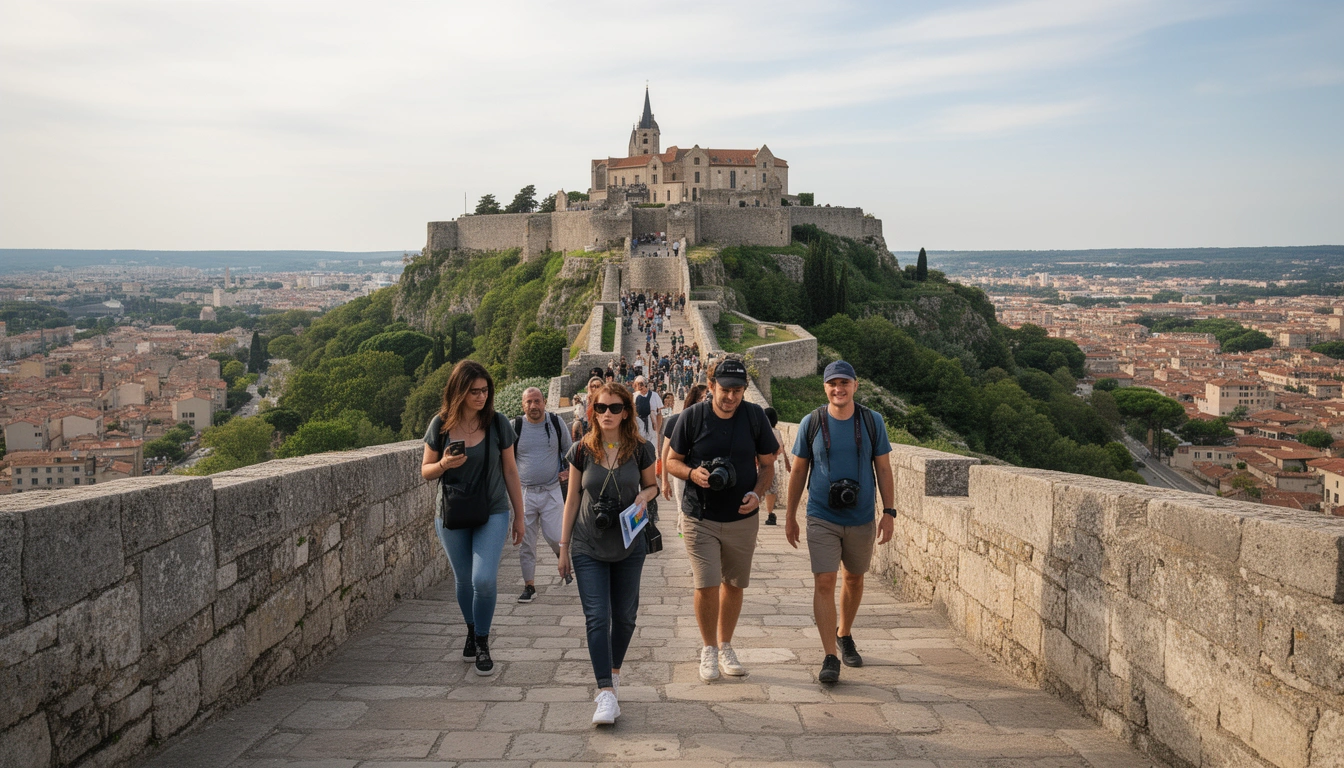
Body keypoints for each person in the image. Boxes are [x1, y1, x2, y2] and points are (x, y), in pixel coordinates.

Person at [666, 357, 778, 682]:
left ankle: (726, 644)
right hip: (700, 516)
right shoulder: (692, 417)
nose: (730, 397)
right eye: (725, 389)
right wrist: (692, 473)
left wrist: (757, 493)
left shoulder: (754, 417)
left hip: (742, 516)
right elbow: (671, 461)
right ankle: (709, 649)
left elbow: (767, 464)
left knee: (735, 584)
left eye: (737, 391)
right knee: (707, 583)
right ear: (712, 386)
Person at [784, 361, 895, 684]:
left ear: (855, 385)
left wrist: (889, 512)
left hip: (861, 516)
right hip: (822, 515)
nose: (838, 389)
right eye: (832, 383)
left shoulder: (872, 421)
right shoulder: (812, 422)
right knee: (824, 581)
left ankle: (844, 633)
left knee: (855, 579)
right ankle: (830, 655)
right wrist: (790, 516)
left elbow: (883, 468)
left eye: (844, 382)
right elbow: (798, 470)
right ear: (825, 387)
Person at [558, 382, 659, 725]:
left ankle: (613, 673)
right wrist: (563, 548)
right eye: (600, 408)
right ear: (593, 411)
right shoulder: (581, 450)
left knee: (625, 617)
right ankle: (604, 692)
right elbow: (572, 499)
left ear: (627, 412)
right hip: (588, 544)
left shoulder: (641, 449)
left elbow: (653, 485)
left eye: (615, 408)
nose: (607, 414)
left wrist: (645, 495)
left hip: (630, 544)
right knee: (598, 617)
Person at [421, 359, 525, 677]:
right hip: (451, 512)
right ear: (459, 391)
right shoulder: (440, 425)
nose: (481, 396)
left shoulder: (497, 423)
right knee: (464, 580)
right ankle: (471, 628)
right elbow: (426, 471)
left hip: (492, 510)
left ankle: (482, 640)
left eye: (485, 390)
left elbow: (510, 470)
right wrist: (444, 465)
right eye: (474, 391)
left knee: (483, 580)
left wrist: (519, 517)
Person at [513, 387, 572, 603]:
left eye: (537, 401)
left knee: (556, 537)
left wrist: (569, 471)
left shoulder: (555, 423)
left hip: (551, 490)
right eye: (529, 402)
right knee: (526, 542)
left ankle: (562, 557)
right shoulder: (515, 427)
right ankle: (529, 586)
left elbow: (570, 451)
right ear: (523, 405)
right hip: (525, 493)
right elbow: (506, 459)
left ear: (544, 402)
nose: (533, 406)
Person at [661, 384, 707, 527]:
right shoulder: (676, 420)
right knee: (683, 511)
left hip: (706, 474)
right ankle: (684, 536)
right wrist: (664, 481)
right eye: (703, 398)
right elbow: (665, 452)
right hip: (682, 473)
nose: (707, 401)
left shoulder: (712, 423)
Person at [762, 406, 788, 526]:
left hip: (761, 464)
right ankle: (770, 514)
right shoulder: (776, 432)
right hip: (773, 463)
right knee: (771, 489)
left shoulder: (761, 431)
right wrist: (787, 463)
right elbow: (781, 448)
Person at [631, 376, 663, 445]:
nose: (640, 387)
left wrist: (659, 427)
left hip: (653, 427)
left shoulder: (655, 395)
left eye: (641, 384)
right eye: (637, 384)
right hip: (638, 425)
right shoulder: (633, 397)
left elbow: (662, 411)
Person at [571, 376, 604, 442]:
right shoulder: (584, 400)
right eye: (593, 386)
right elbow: (579, 415)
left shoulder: (605, 400)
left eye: (598, 386)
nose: (595, 388)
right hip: (587, 426)